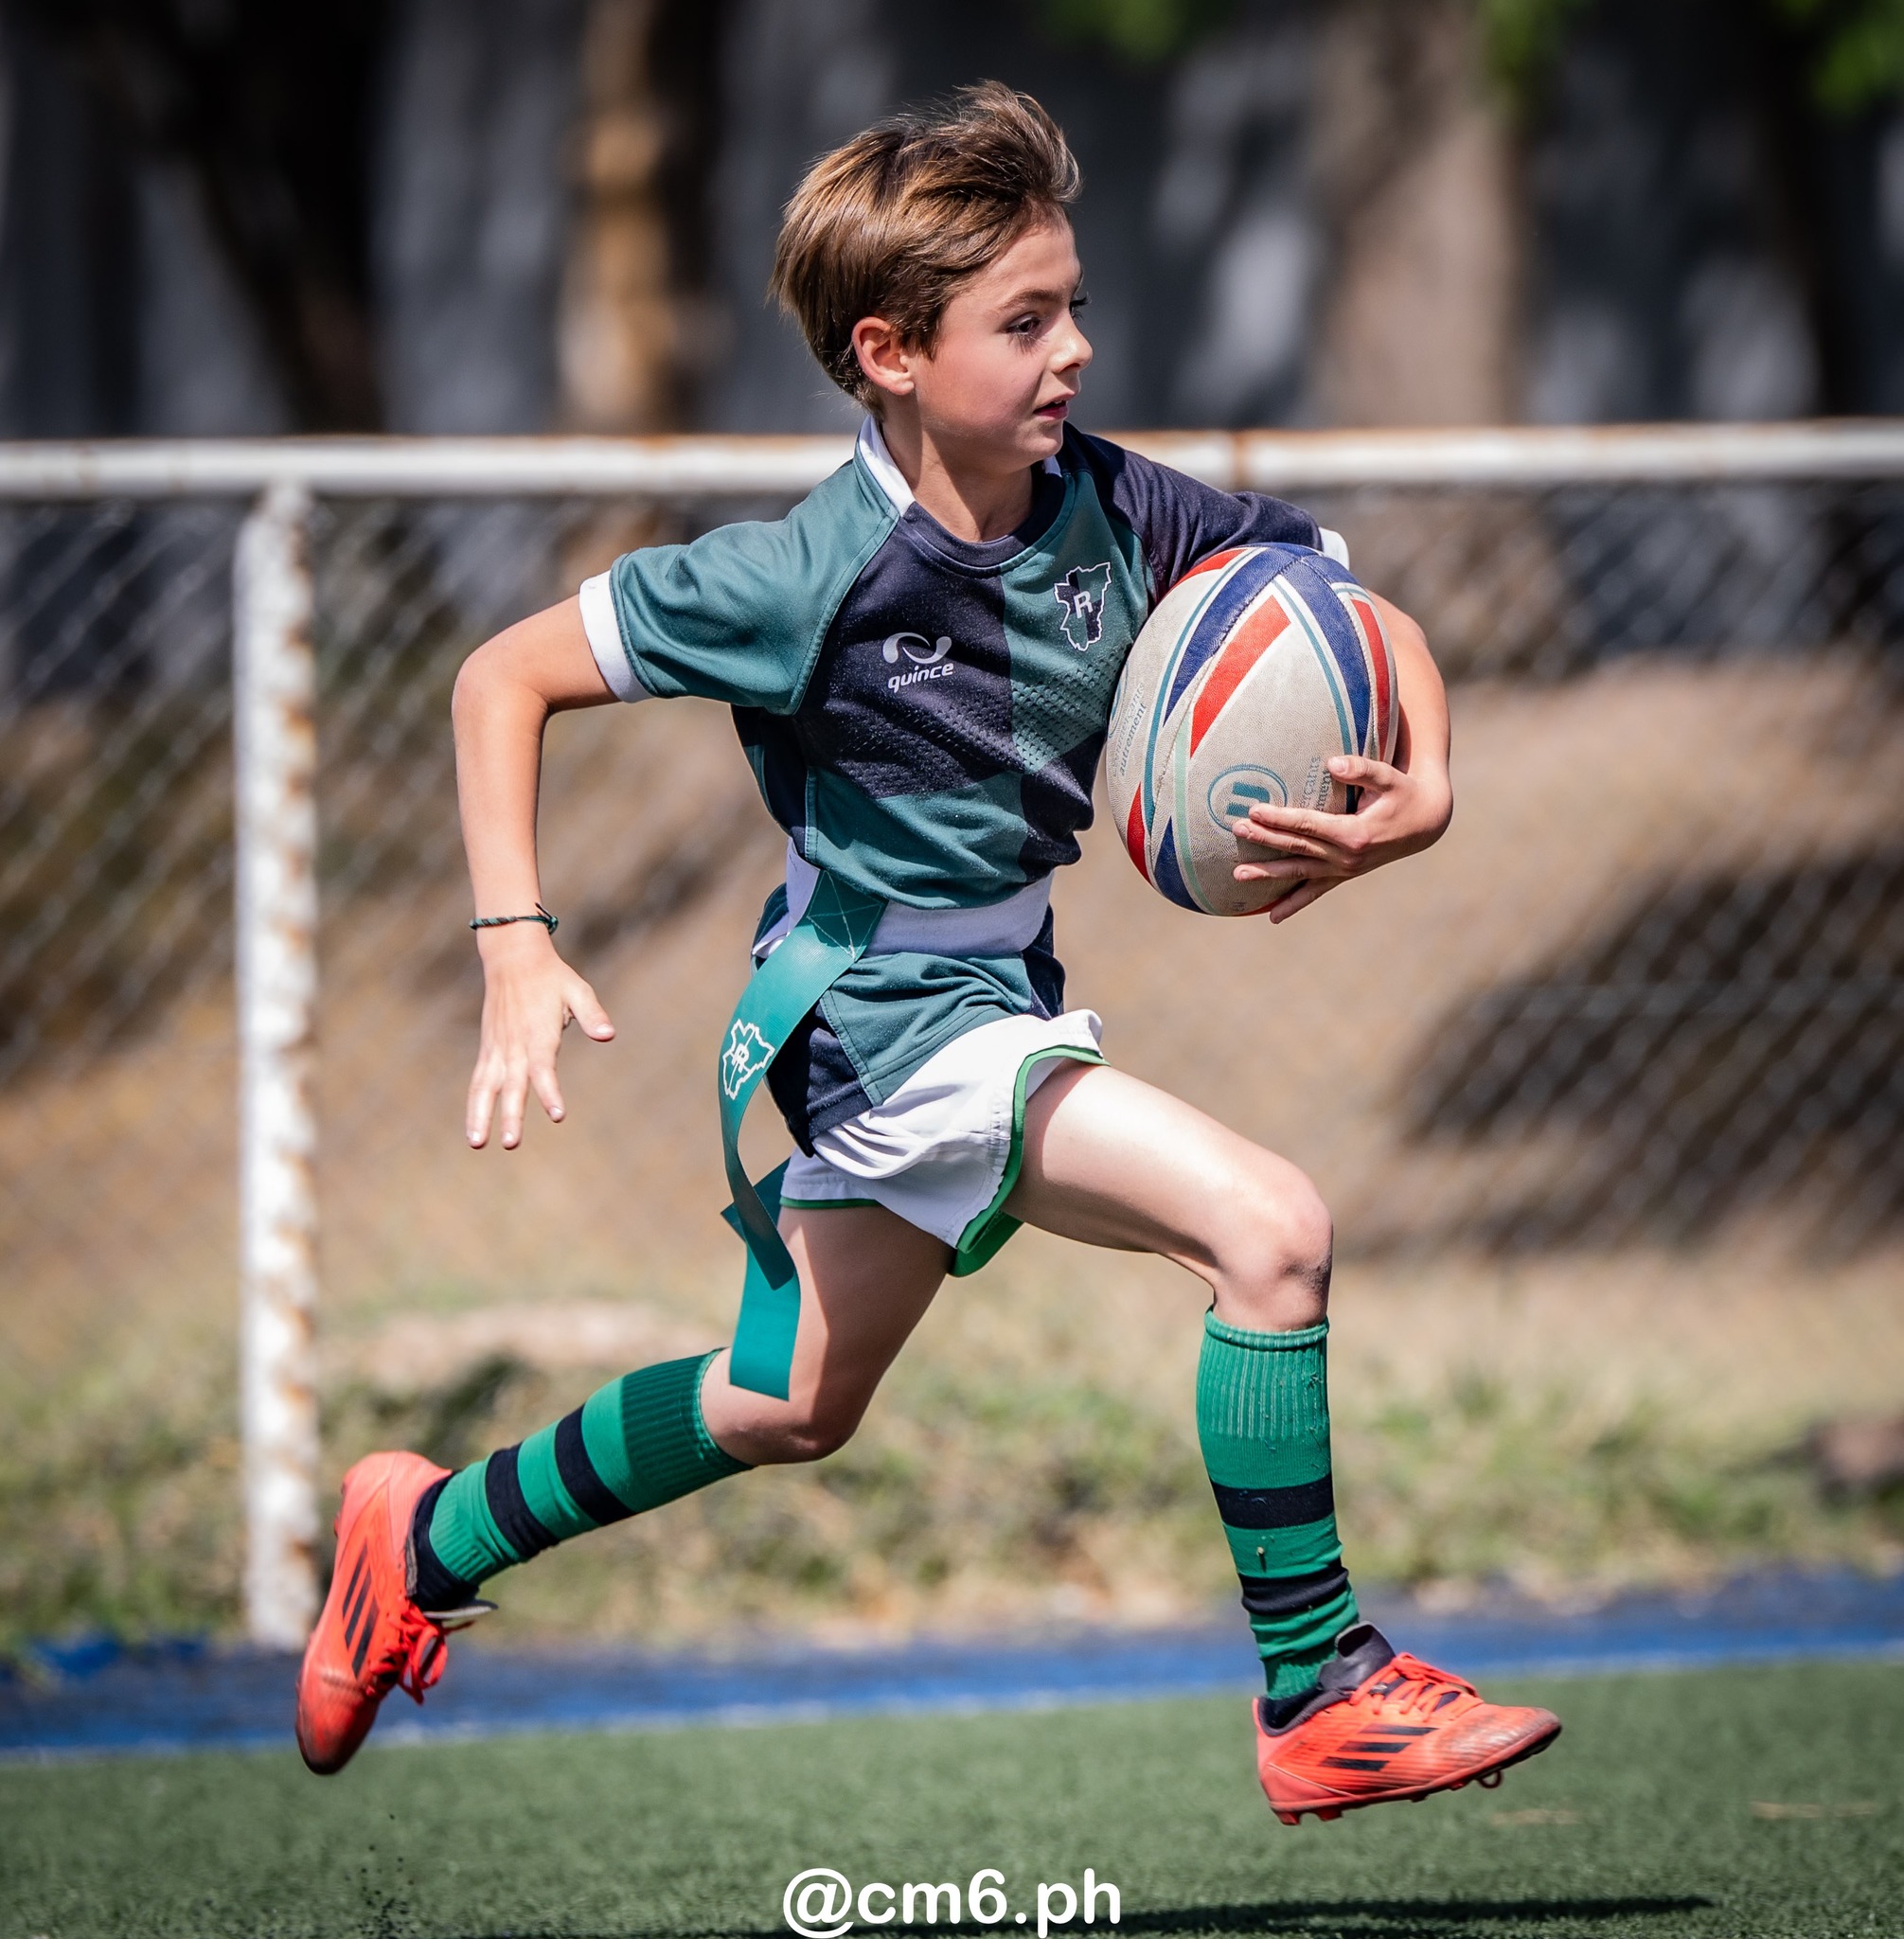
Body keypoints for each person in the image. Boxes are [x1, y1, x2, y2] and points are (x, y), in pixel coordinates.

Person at [294, 82, 1559, 1820]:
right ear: (887, 350)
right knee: (1271, 1231)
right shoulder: (801, 574)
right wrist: (515, 939)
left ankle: (417, 1532)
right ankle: (1321, 1684)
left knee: (787, 1402)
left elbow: (1356, 606)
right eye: (1025, 322)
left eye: (1074, 308)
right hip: (879, 1010)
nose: (1076, 354)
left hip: (992, 993)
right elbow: (495, 675)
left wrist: (1421, 783)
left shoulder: (1113, 505)